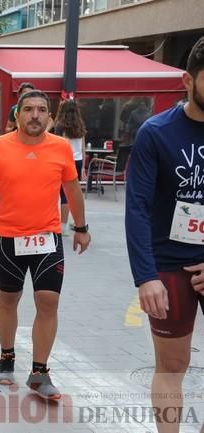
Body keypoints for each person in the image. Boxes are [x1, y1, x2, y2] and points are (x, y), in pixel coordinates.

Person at [0, 90, 90, 400]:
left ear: (50, 117)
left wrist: (81, 228)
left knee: (48, 301)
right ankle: (7, 356)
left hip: (47, 238)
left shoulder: (60, 148)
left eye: (42, 110)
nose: (35, 115)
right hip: (9, 238)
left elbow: (72, 191)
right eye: (29, 109)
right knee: (8, 300)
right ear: (17, 115)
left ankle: (40, 371)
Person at [125, 36, 204, 433]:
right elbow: (136, 207)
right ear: (188, 80)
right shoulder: (156, 133)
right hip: (169, 267)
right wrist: (146, 276)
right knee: (172, 366)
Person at [55, 98, 86, 236]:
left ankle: (62, 226)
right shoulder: (80, 125)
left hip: (64, 161)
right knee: (72, 193)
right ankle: (70, 223)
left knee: (61, 193)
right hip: (78, 160)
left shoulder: (60, 125)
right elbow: (83, 147)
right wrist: (84, 166)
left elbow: (58, 145)